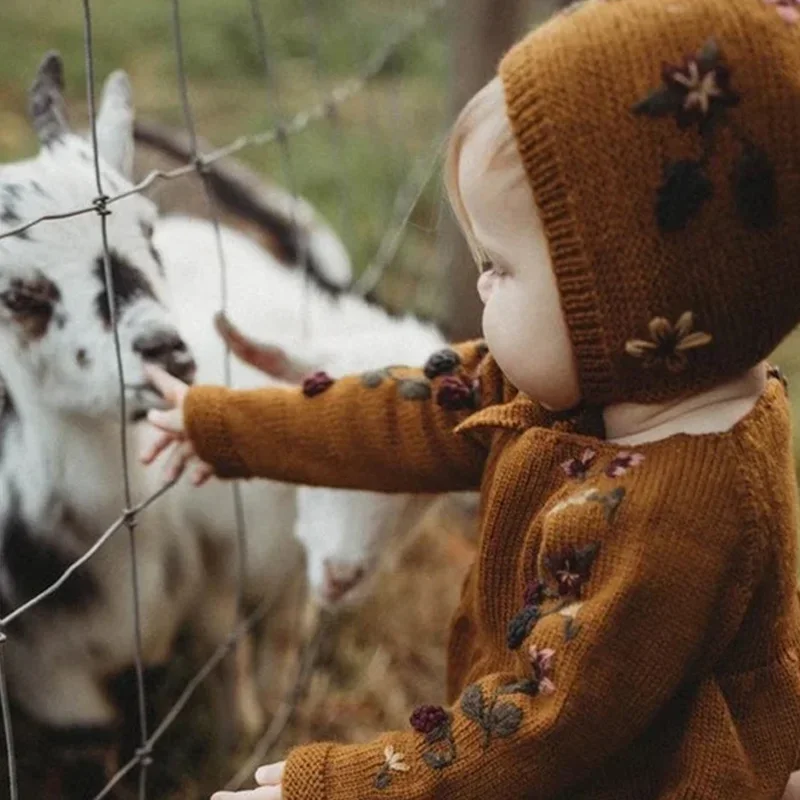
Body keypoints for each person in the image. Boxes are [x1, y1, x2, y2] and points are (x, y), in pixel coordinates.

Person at [141, 0, 800, 796]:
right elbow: (400, 411)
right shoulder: (600, 381)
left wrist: (341, 787)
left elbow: (539, 726)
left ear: (638, 299)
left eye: (503, 264)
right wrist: (224, 425)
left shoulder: (684, 516)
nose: (482, 281)